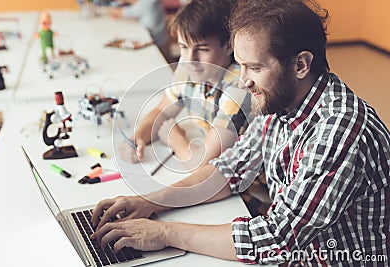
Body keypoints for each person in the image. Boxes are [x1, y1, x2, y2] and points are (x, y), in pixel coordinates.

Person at [91, 0, 390, 265]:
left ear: (300, 64)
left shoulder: (340, 130)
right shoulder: (282, 103)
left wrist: (165, 232)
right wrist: (151, 202)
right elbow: (229, 169)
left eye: (254, 67)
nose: (243, 81)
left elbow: (276, 239)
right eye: (241, 66)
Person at [119, 0, 253, 170]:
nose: (190, 59)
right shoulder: (189, 64)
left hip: (245, 186)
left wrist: (175, 138)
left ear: (228, 46)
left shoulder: (239, 87)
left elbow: (203, 163)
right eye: (183, 47)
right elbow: (162, 111)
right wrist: (137, 138)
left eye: (203, 50)